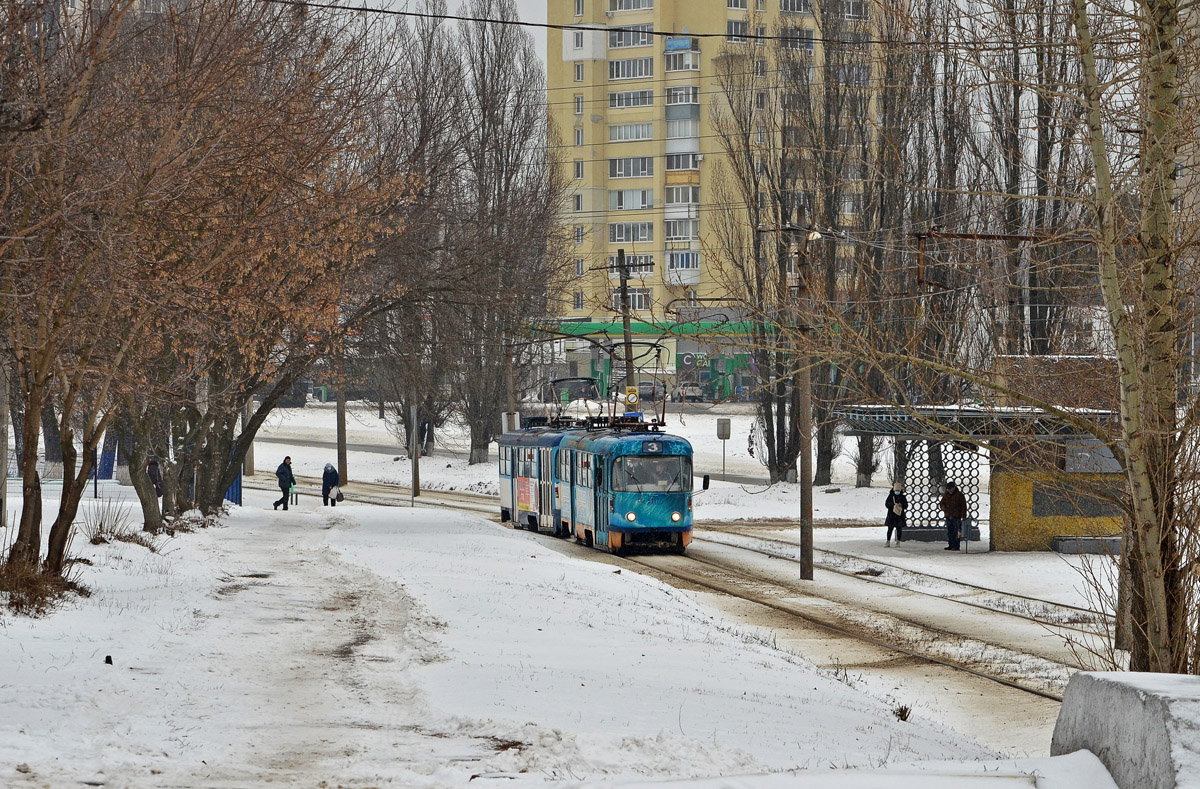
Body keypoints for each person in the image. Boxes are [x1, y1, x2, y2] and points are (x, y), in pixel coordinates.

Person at [940, 480, 967, 551]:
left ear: (954, 488)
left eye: (950, 489)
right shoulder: (946, 495)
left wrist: (963, 515)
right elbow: (942, 503)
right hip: (948, 516)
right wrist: (943, 508)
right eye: (948, 489)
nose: (949, 490)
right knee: (950, 532)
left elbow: (963, 506)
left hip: (956, 516)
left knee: (957, 532)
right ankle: (951, 545)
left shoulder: (959, 495)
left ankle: (956, 545)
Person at [884, 481, 906, 547]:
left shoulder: (902, 497)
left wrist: (901, 505)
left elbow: (906, 505)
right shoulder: (890, 496)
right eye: (896, 490)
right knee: (890, 529)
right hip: (891, 515)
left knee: (899, 529)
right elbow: (887, 504)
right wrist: (893, 506)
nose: (897, 492)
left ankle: (898, 542)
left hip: (899, 515)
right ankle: (888, 541)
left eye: (898, 490)